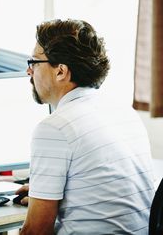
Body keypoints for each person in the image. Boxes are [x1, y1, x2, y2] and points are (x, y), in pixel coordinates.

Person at [16, 19, 155, 234]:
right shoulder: (124, 112)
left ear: (60, 71)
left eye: (34, 62)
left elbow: (36, 231)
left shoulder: (55, 128)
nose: (29, 71)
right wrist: (44, 192)